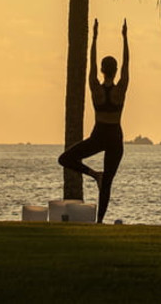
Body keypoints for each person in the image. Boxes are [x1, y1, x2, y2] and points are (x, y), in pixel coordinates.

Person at [57, 18, 129, 222]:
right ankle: (99, 219)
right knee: (107, 182)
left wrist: (94, 38)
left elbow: (91, 65)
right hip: (114, 135)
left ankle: (94, 176)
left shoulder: (95, 88)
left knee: (65, 159)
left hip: (100, 134)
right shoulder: (120, 89)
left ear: (102, 71)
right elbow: (127, 65)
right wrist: (125, 38)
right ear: (115, 71)